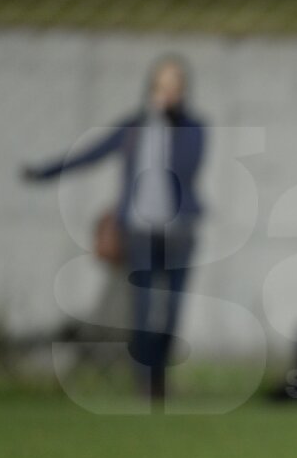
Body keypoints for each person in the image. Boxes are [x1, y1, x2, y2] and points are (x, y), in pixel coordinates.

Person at [24, 55, 205, 402]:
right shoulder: (133, 129)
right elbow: (88, 155)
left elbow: (189, 166)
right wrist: (44, 173)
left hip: (179, 233)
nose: (167, 91)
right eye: (161, 84)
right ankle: (146, 384)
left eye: (174, 85)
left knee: (171, 313)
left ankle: (160, 375)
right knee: (143, 311)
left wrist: (170, 123)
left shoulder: (192, 130)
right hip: (139, 232)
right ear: (151, 88)